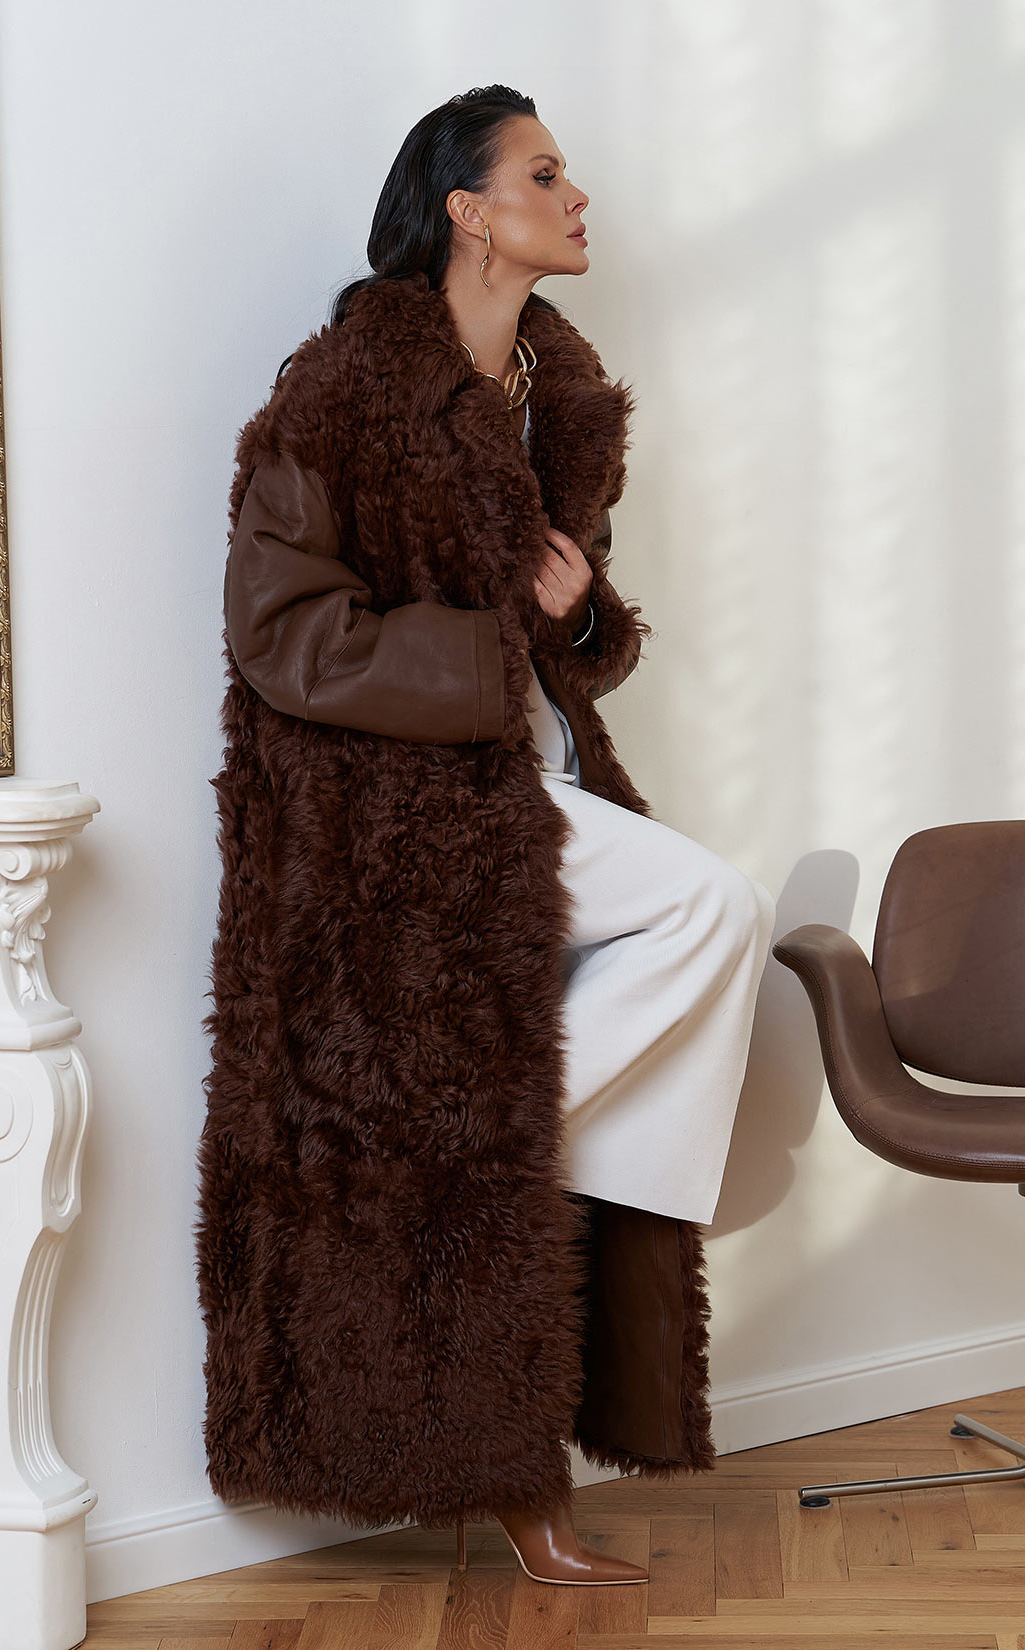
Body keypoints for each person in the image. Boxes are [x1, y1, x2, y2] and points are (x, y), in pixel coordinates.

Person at [203, 85, 774, 1589]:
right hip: (398, 822)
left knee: (703, 942)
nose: (577, 198)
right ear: (468, 210)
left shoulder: (550, 391)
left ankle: (467, 1176)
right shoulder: (343, 387)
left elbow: (565, 627)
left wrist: (576, 617)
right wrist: (487, 645)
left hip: (528, 781)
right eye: (544, 173)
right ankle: (477, 1182)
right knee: (711, 908)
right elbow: (280, 631)